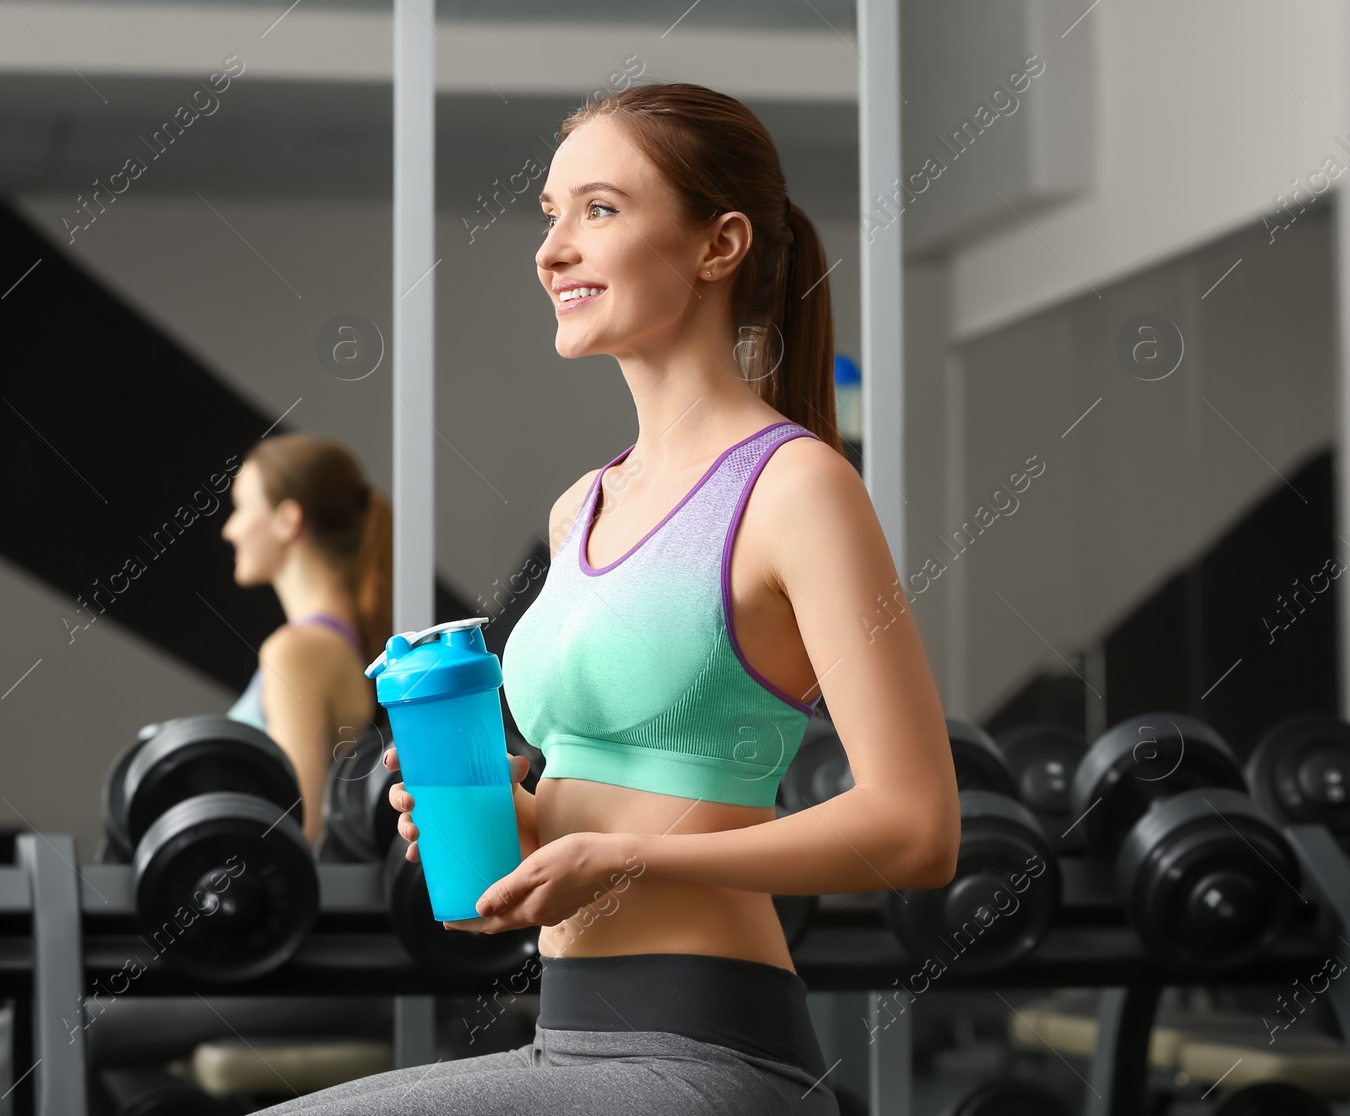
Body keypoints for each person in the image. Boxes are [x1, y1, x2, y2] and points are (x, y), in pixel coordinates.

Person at [252, 82, 957, 1115]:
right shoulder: (579, 508)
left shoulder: (796, 487)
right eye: (550, 215)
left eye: (601, 209)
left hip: (711, 1048)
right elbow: (617, 781)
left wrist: (621, 856)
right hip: (568, 1034)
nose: (552, 251)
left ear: (718, 245)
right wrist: (523, 819)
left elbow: (917, 827)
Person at [221, 433, 392, 852]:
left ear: (287, 519)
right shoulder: (327, 643)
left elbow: (298, 830)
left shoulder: (298, 650)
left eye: (241, 508)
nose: (229, 530)